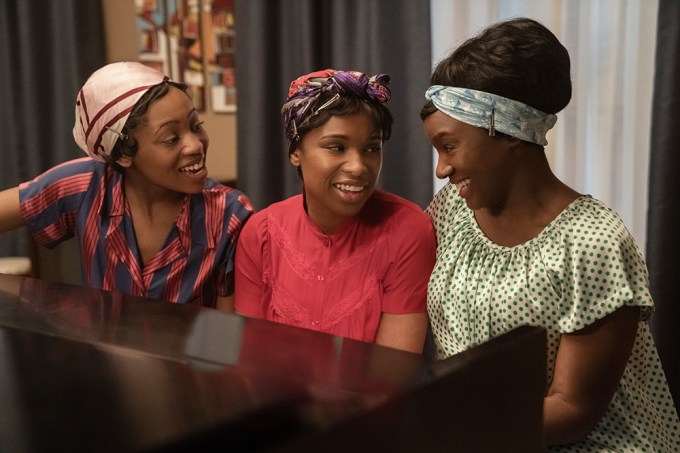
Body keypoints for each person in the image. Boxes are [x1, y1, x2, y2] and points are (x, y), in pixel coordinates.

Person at [421, 17, 680, 451]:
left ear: (505, 131)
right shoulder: (451, 212)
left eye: (449, 146)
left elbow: (572, 411)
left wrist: (443, 421)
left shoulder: (593, 242)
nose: (441, 169)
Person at [0, 62, 253, 311]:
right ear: (122, 155)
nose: (195, 145)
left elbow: (228, 334)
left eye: (196, 126)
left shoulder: (229, 214)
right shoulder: (84, 185)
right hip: (98, 352)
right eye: (171, 139)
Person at [234, 69, 436, 353]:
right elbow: (251, 355)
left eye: (370, 148)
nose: (358, 167)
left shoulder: (408, 230)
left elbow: (392, 371)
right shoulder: (260, 233)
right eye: (337, 147)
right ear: (296, 152)